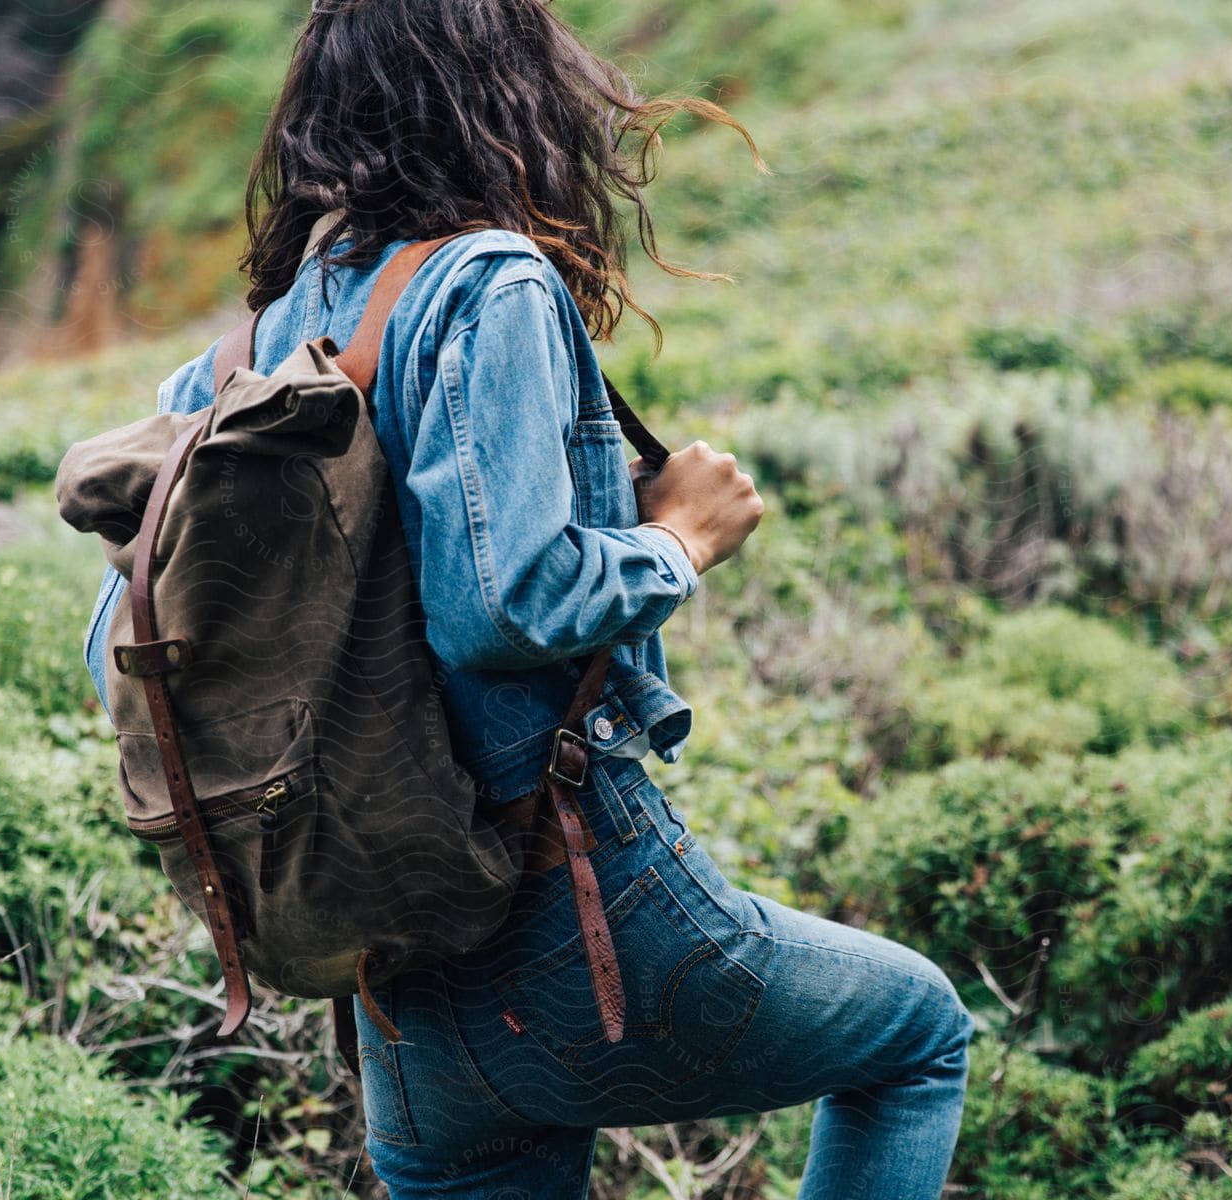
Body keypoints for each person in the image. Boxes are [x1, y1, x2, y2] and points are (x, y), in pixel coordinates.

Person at [81, 1, 973, 1195]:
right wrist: (676, 541)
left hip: (396, 947)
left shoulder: (258, 332)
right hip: (573, 906)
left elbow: (131, 639)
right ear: (506, 90)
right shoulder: (488, 279)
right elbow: (503, 607)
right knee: (915, 1039)